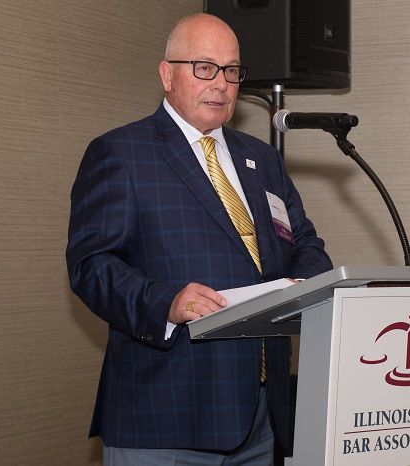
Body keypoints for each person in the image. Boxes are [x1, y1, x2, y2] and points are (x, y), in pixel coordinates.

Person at [66, 12, 333, 465]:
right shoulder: (121, 153)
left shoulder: (262, 159)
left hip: (261, 415)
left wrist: (303, 287)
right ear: (166, 74)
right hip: (165, 414)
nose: (221, 84)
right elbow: (92, 265)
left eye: (231, 70)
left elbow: (304, 242)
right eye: (204, 68)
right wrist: (166, 303)